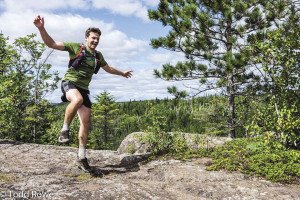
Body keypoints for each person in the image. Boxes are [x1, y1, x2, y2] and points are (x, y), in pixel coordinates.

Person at [33, 15, 133, 172]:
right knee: (77, 99)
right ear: (87, 38)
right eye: (93, 38)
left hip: (84, 89)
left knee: (86, 123)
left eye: (97, 39)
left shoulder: (97, 56)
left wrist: (122, 73)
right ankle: (64, 129)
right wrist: (41, 28)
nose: (95, 41)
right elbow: (51, 44)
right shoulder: (76, 47)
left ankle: (82, 157)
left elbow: (108, 68)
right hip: (69, 83)